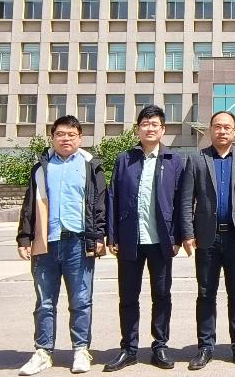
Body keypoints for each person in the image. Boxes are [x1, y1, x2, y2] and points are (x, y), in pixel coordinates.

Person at [16, 115, 106, 376]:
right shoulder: (41, 167)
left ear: (80, 138)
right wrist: (24, 237)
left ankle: (81, 349)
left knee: (81, 300)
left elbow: (99, 204)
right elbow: (29, 204)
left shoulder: (91, 166)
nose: (66, 139)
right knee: (44, 302)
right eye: (60, 134)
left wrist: (99, 236)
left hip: (79, 242)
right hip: (46, 242)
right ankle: (43, 351)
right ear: (52, 137)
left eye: (71, 134)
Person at [104, 105, 187, 372]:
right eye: (145, 124)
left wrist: (178, 237)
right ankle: (128, 348)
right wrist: (112, 235)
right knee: (128, 296)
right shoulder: (124, 159)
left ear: (163, 130)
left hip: (162, 240)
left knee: (161, 295)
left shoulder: (174, 160)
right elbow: (113, 197)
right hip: (130, 239)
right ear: (137, 129)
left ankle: (159, 346)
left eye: (155, 124)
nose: (150, 128)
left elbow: (181, 202)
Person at [180, 110, 235, 369]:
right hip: (207, 238)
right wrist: (188, 233)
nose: (222, 131)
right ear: (210, 130)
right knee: (206, 294)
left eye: (227, 127)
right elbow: (186, 199)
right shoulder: (197, 159)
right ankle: (205, 347)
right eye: (217, 126)